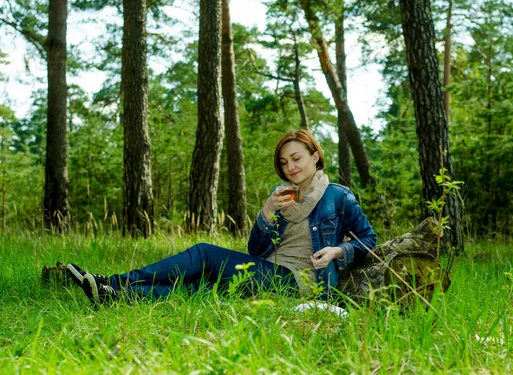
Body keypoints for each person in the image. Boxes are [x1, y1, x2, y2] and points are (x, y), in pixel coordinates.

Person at [67, 129, 377, 304]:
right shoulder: (282, 195)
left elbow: (369, 239)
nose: (290, 167)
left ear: (315, 155)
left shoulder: (338, 196)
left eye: (296, 158)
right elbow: (256, 250)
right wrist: (267, 212)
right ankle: (114, 296)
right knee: (201, 284)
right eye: (284, 163)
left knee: (204, 253)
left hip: (302, 283)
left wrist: (339, 250)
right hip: (269, 270)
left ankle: (116, 281)